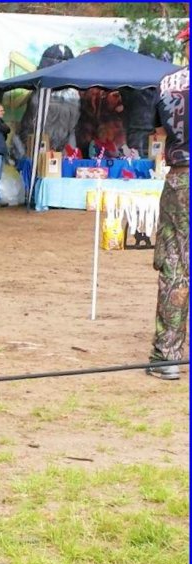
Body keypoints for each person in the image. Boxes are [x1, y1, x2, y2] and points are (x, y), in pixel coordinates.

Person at [146, 23, 189, 381]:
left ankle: (167, 356)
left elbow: (157, 130)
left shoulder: (168, 83)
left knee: (175, 265)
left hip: (180, 175)